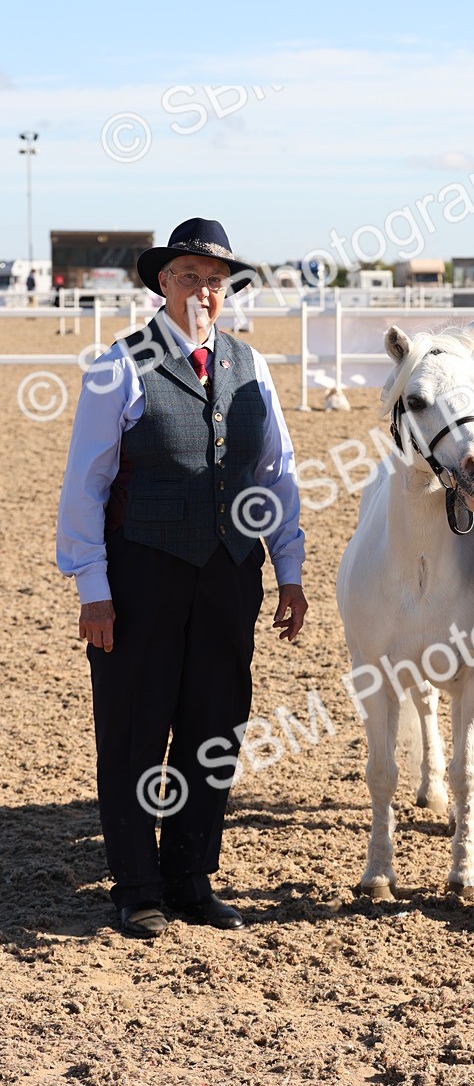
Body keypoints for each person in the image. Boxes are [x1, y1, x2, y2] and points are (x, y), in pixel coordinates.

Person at [57, 218, 307, 939]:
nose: (203, 291)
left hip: (230, 573)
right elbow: (86, 485)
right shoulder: (119, 364)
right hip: (142, 573)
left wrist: (288, 571)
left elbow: (277, 476)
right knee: (136, 729)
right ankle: (137, 886)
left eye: (215, 281)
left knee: (214, 729)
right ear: (162, 283)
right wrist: (92, 589)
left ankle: (191, 878)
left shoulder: (250, 366)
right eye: (189, 277)